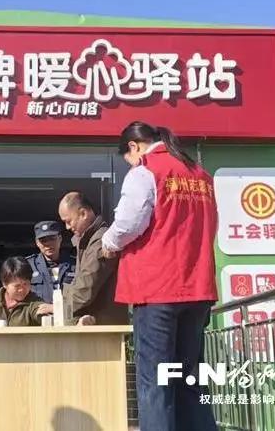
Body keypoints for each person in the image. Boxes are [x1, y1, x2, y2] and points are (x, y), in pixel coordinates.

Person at [101, 121, 218, 431]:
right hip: (197, 287)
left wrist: (108, 243)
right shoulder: (201, 175)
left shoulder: (145, 171)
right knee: (189, 379)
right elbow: (212, 226)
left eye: (128, 158)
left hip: (157, 289)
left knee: (156, 381)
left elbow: (128, 224)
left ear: (133, 147)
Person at [58, 192, 129, 325]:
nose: (67, 227)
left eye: (68, 221)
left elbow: (86, 287)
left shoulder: (101, 241)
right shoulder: (88, 241)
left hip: (102, 325)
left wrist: (58, 308)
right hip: (97, 323)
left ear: (83, 213)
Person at [0, 257, 53, 327]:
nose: (22, 289)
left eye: (25, 284)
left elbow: (40, 313)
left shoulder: (34, 301)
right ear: (4, 284)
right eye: (17, 286)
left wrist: (54, 309)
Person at [25, 220, 76, 303]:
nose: (48, 244)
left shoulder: (75, 264)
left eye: (52, 239)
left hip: (68, 310)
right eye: (43, 240)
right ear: (37, 243)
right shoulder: (28, 265)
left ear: (60, 238)